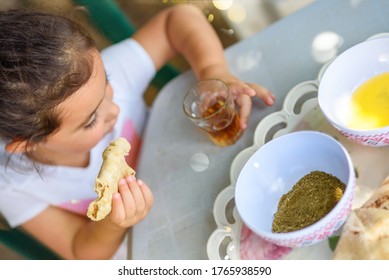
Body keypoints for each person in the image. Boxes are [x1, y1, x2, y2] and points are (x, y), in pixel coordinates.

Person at [0, 4, 275, 260]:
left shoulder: (85, 77)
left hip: (202, 176)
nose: (114, 109)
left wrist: (214, 72)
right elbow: (79, 251)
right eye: (91, 120)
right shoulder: (12, 186)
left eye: (106, 82)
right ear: (26, 144)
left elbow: (177, 19)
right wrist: (111, 223)